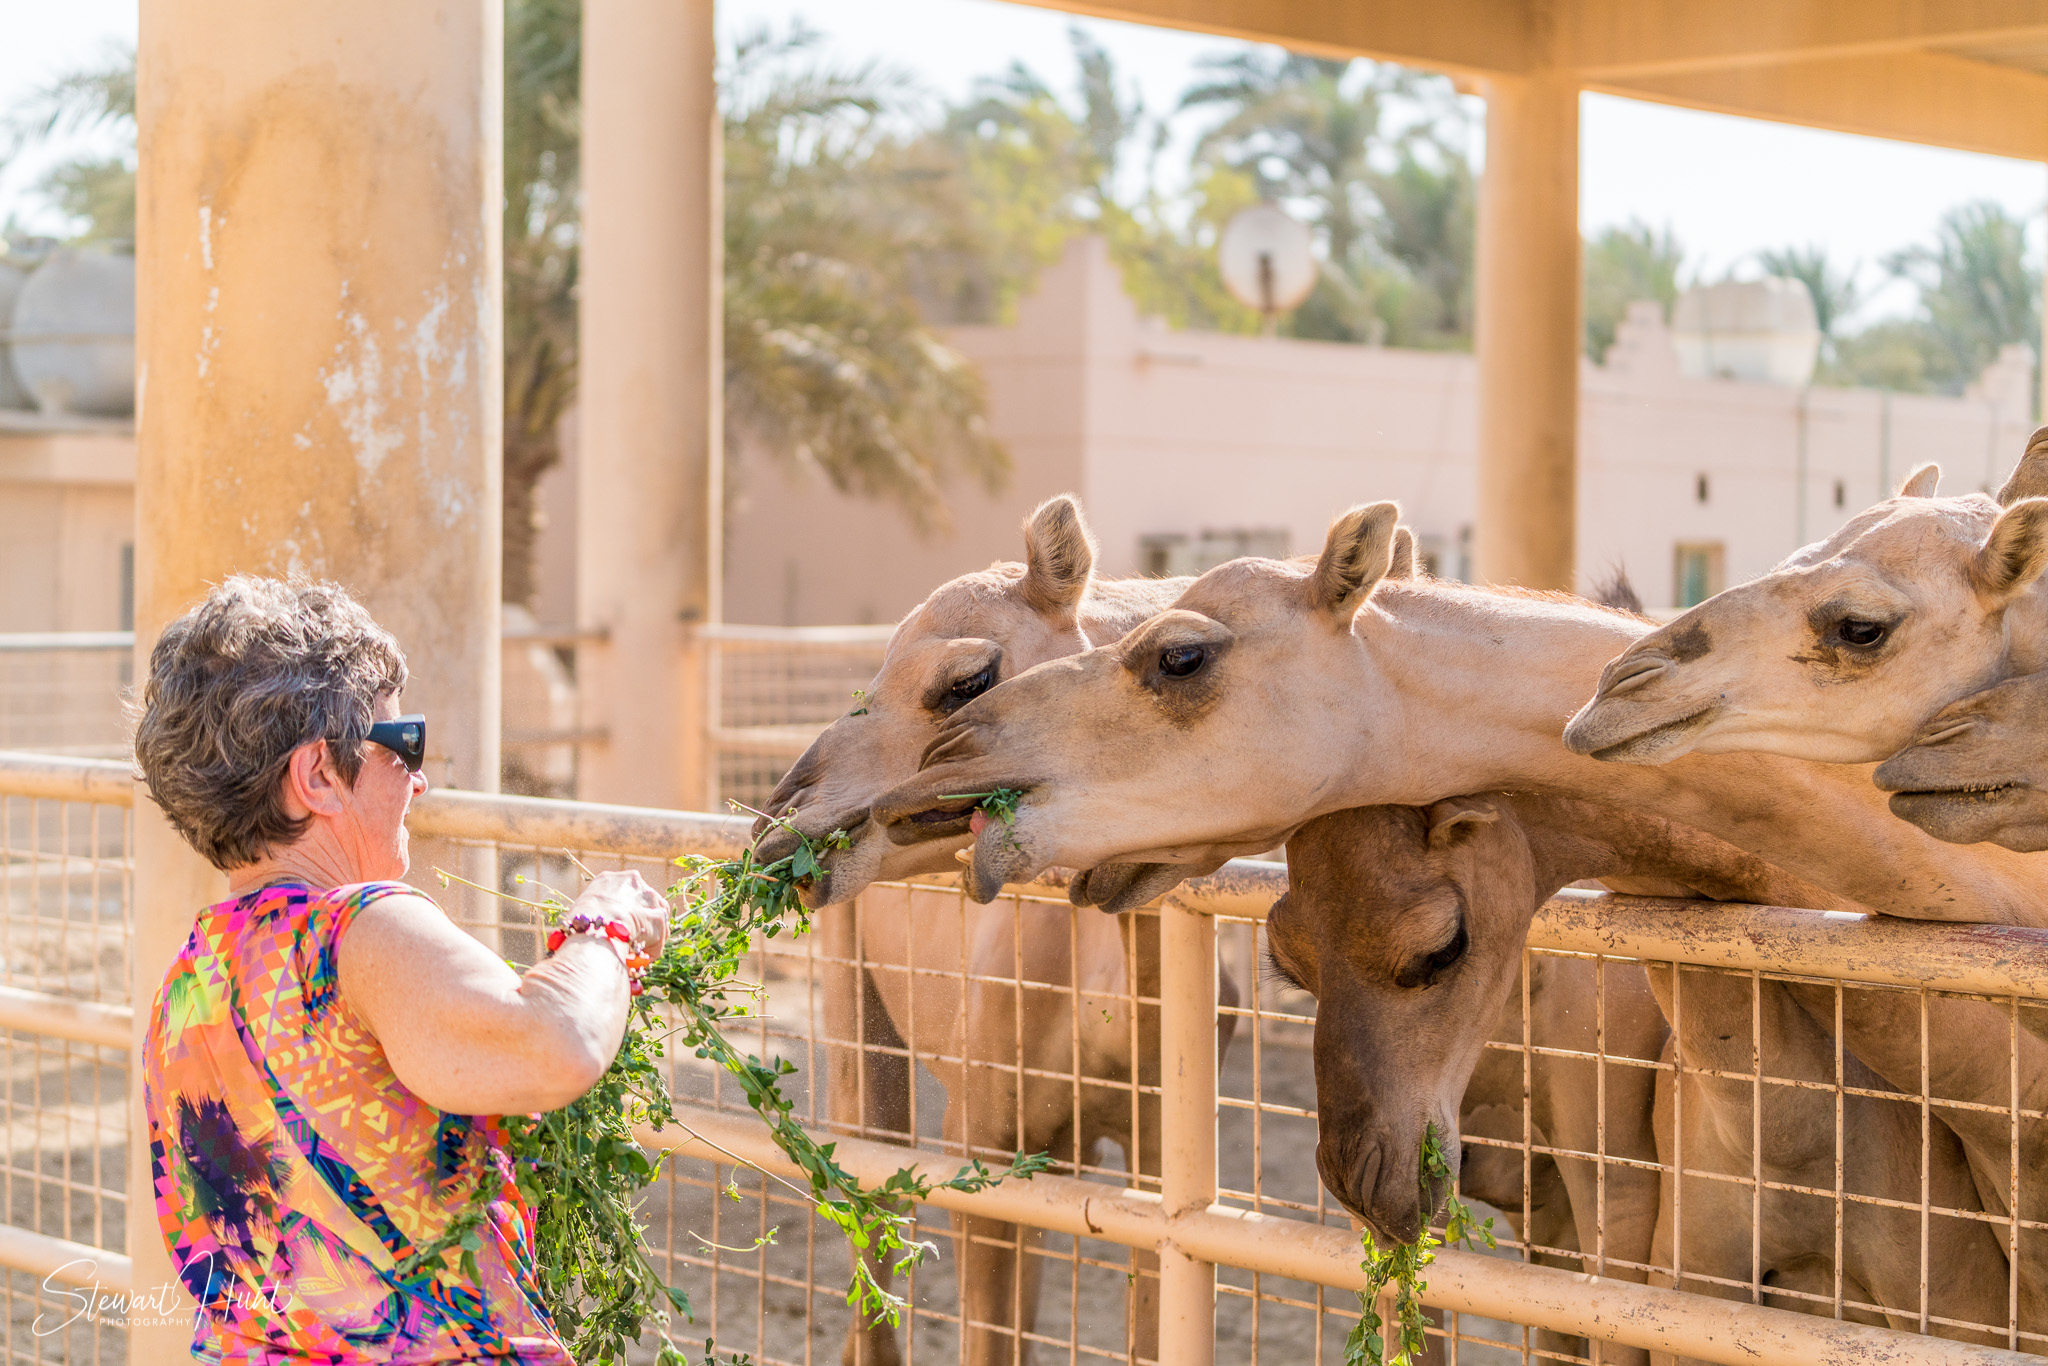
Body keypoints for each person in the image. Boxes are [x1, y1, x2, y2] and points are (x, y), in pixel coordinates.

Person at [136, 575, 666, 1363]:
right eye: (401, 743)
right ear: (317, 775)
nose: (419, 778)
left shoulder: (188, 980)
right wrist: (607, 927)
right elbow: (555, 1042)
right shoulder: (359, 928)